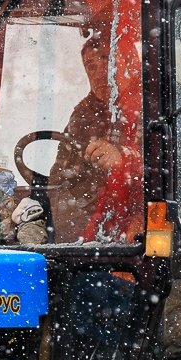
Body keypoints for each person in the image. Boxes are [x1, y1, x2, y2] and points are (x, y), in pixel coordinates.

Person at [47, 28, 142, 241]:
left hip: (144, 217)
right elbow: (61, 172)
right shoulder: (83, 115)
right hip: (91, 219)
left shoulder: (163, 101)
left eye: (107, 60)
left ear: (129, 62)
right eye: (91, 66)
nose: (99, 72)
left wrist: (124, 159)